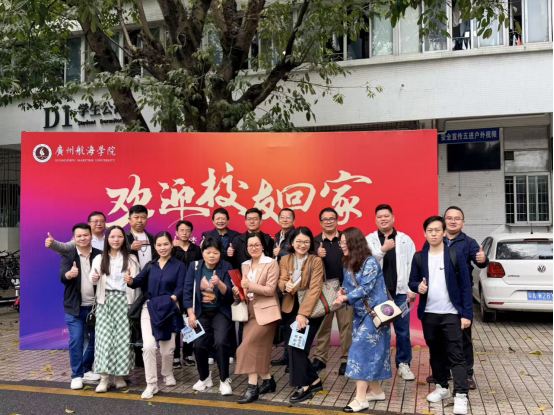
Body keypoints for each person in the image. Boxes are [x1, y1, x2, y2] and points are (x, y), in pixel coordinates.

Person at [409, 216, 473, 415]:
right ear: (424, 233)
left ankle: (461, 395)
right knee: (436, 353)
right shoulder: (419, 257)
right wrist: (418, 287)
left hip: (452, 314)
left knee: (456, 354)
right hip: (429, 314)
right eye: (430, 230)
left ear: (444, 232)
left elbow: (465, 287)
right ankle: (442, 387)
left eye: (438, 230)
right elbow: (412, 281)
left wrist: (467, 315)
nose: (434, 233)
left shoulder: (455, 254)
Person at [333, 227, 392, 413]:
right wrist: (342, 292)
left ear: (354, 243)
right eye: (340, 242)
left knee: (359, 353)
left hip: (375, 316)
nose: (342, 246)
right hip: (361, 315)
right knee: (369, 354)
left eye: (344, 242)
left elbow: (365, 288)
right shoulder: (348, 263)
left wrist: (345, 298)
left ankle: (360, 399)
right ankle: (377, 392)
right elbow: (348, 286)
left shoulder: (370, 262)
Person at [432, 206, 488, 390]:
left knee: (463, 337)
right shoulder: (435, 238)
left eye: (457, 218)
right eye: (449, 218)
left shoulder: (469, 242)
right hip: (438, 296)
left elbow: (480, 260)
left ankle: (467, 375)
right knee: (440, 337)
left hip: (460, 297)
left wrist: (482, 260)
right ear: (444, 220)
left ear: (463, 223)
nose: (453, 221)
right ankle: (443, 372)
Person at [125, 232, 186, 400]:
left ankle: (167, 373)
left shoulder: (179, 265)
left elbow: (182, 286)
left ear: (171, 245)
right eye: (159, 245)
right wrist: (130, 281)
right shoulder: (151, 265)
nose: (162, 248)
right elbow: (138, 281)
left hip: (169, 309)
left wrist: (173, 298)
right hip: (149, 308)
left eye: (166, 244)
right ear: (155, 247)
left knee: (167, 349)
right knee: (149, 346)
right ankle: (151, 383)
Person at [365, 204, 417, 381]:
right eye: (380, 217)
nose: (383, 219)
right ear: (375, 220)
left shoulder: (405, 240)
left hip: (400, 293)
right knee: (378, 330)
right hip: (377, 294)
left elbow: (413, 265)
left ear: (393, 218)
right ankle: (379, 364)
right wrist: (383, 249)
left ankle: (404, 364)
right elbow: (366, 263)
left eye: (386, 216)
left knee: (403, 331)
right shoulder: (369, 240)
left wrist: (411, 289)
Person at [89, 225, 140, 392]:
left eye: (119, 236)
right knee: (104, 341)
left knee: (123, 340)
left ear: (124, 239)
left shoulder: (131, 258)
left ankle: (119, 376)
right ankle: (104, 378)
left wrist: (131, 280)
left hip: (125, 302)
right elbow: (92, 278)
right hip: (105, 301)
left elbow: (136, 283)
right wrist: (94, 277)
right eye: (112, 237)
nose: (116, 240)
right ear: (107, 239)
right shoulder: (99, 258)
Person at [233, 234, 281, 404]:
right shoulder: (245, 265)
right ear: (246, 248)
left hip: (267, 312)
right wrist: (238, 291)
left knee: (247, 347)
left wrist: (250, 286)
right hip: (250, 311)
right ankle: (268, 380)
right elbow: (244, 291)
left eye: (256, 245)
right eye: (250, 245)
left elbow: (270, 290)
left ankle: (252, 388)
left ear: (262, 246)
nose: (253, 248)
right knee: (257, 349)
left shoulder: (271, 263)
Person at [279, 227, 325, 404]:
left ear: (311, 243)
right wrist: (285, 286)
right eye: (298, 241)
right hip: (290, 307)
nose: (302, 245)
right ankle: (314, 381)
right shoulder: (285, 259)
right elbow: (281, 280)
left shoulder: (316, 261)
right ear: (292, 242)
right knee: (293, 346)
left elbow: (315, 289)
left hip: (310, 310)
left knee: (297, 347)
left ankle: (304, 386)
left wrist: (303, 314)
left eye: (306, 242)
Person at [184, 237, 235, 396]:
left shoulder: (226, 266)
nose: (212, 256)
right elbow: (187, 292)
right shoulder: (194, 266)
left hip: (220, 312)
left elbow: (229, 295)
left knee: (221, 342)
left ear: (220, 253)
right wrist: (191, 314)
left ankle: (224, 380)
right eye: (208, 252)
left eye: (215, 252)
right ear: (202, 252)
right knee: (198, 345)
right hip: (201, 313)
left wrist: (219, 283)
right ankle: (205, 378)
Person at [59, 223, 103, 390]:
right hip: (75, 308)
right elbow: (62, 276)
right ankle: (77, 375)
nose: (83, 238)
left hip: (96, 308)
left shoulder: (99, 255)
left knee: (97, 340)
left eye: (86, 235)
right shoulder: (68, 255)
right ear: (74, 238)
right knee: (76, 340)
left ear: (91, 236)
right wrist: (69, 274)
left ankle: (86, 369)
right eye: (79, 236)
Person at [312, 208, 353, 376]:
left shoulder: (345, 239)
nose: (328, 222)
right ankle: (320, 358)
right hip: (323, 290)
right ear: (320, 222)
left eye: (332, 219)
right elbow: (307, 264)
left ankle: (346, 359)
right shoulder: (314, 242)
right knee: (323, 326)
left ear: (337, 220)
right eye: (325, 219)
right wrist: (317, 256)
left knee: (346, 326)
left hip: (344, 289)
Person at [172, 220, 203, 368]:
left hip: (191, 289)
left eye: (187, 230)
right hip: (175, 290)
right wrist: (172, 248)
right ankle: (175, 356)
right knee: (175, 322)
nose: (184, 233)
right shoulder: (172, 249)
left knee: (190, 321)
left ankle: (188, 354)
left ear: (191, 233)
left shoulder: (196, 250)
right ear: (176, 233)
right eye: (182, 230)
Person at [270, 208, 296, 370]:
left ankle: (293, 357)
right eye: (282, 217)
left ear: (293, 220)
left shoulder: (296, 235)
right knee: (284, 322)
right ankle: (287, 355)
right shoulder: (277, 236)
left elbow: (299, 254)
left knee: (291, 321)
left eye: (288, 217)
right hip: (278, 283)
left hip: (291, 284)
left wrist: (282, 252)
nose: (285, 220)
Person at [125, 205, 158, 271]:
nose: (140, 221)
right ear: (129, 220)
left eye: (143, 218)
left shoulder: (152, 238)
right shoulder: (124, 237)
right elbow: (116, 254)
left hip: (151, 274)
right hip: (132, 274)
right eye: (136, 217)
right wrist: (130, 248)